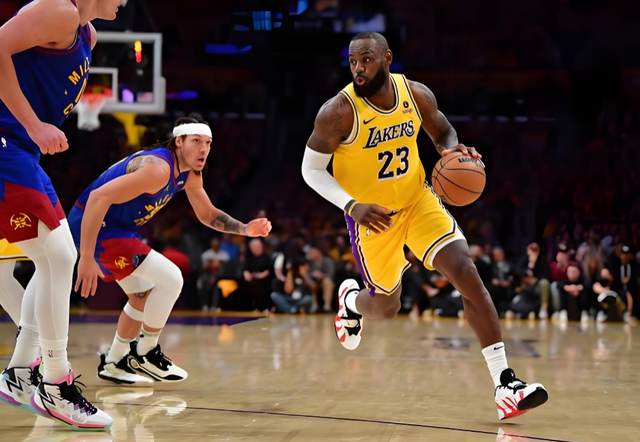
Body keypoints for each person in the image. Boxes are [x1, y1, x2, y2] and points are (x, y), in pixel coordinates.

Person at [301, 32, 547, 420]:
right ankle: (351, 301)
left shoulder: (415, 95)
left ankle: (505, 384)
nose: (358, 69)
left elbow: (442, 129)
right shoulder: (338, 111)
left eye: (366, 60)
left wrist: (450, 150)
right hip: (372, 219)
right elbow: (311, 170)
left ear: (387, 59)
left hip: (418, 201)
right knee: (386, 308)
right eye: (353, 62)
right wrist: (352, 205)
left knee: (467, 273)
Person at [69, 114, 272, 385]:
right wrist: (85, 256)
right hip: (95, 226)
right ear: (179, 142)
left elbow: (207, 214)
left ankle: (114, 361)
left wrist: (245, 229)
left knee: (140, 296)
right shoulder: (158, 169)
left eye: (208, 143)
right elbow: (97, 198)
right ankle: (146, 351)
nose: (203, 149)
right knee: (172, 278)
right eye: (196, 141)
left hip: (118, 228)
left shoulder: (189, 174)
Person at [0, 0, 122, 430]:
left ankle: (20, 374)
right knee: (59, 257)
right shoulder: (59, 10)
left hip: (21, 151)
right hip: (7, 144)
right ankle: (54, 383)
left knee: (54, 258)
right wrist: (34, 125)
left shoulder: (87, 33)